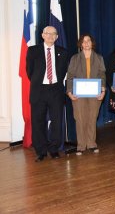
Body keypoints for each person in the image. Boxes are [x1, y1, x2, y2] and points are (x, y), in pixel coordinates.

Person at [26, 26, 69, 162]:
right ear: (42, 35)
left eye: (53, 34)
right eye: (47, 33)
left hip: (55, 91)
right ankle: (41, 151)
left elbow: (62, 73)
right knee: (38, 122)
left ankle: (54, 149)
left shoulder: (63, 52)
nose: (50, 36)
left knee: (57, 121)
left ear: (57, 37)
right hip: (38, 91)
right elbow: (30, 72)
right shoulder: (33, 51)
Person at [66, 34, 106, 156]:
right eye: (84, 41)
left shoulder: (99, 58)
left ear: (91, 43)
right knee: (80, 118)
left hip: (95, 93)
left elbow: (102, 74)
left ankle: (92, 144)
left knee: (92, 118)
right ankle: (81, 145)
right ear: (81, 44)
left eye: (88, 41)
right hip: (78, 93)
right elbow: (70, 76)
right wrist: (69, 92)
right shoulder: (75, 58)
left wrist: (103, 91)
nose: (86, 43)